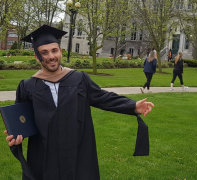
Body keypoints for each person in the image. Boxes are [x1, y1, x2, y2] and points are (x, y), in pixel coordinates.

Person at [4, 25, 154, 180]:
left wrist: (133, 106)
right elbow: (20, 120)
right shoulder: (27, 86)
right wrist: (16, 135)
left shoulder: (79, 79)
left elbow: (103, 98)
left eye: (54, 50)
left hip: (77, 150)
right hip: (44, 153)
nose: (51, 56)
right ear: (37, 57)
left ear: (60, 52)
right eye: (44, 52)